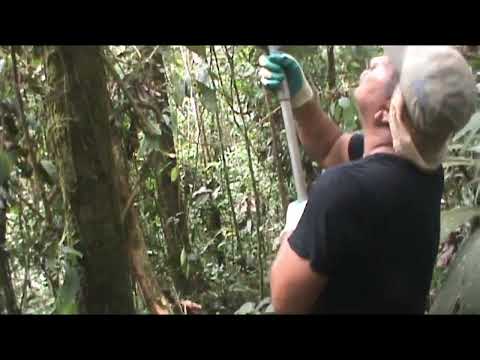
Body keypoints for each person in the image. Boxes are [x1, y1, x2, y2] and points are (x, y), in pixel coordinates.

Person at [259, 46, 477, 314]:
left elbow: (284, 300)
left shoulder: (343, 191)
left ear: (387, 111)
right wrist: (301, 94)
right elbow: (331, 147)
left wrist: (295, 229)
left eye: (391, 67)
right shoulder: (426, 170)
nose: (376, 59)